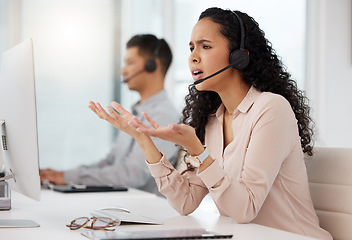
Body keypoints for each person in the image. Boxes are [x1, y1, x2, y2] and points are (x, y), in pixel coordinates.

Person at [88, 8, 332, 240]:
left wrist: (198, 151)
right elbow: (185, 202)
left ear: (238, 57)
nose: (193, 57)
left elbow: (244, 209)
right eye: (192, 47)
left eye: (205, 47)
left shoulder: (271, 109)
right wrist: (143, 140)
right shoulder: (212, 120)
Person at [40, 34, 179, 195]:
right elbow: (111, 161)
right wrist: (65, 176)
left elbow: (132, 175)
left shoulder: (162, 116)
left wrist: (70, 177)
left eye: (130, 62)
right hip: (122, 200)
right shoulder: (138, 111)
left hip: (142, 209)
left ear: (151, 65)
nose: (123, 70)